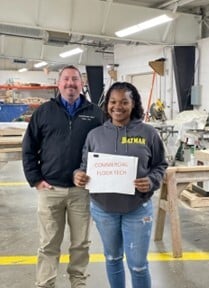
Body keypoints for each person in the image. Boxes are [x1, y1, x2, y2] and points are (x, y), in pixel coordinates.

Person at [74, 82, 168, 288]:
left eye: (124, 102)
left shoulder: (149, 133)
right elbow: (84, 166)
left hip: (137, 209)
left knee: (138, 266)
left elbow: (161, 164)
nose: (118, 107)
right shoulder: (95, 135)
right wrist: (78, 176)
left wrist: (151, 181)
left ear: (133, 104)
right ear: (107, 105)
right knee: (113, 259)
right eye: (113, 102)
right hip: (103, 210)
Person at [22, 65, 104, 288]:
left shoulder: (95, 113)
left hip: (82, 192)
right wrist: (36, 180)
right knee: (48, 243)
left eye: (75, 79)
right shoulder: (44, 112)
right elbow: (28, 147)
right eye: (66, 79)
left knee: (81, 243)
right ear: (59, 84)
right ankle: (45, 283)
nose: (70, 83)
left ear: (81, 84)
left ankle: (78, 282)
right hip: (50, 190)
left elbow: (105, 148)